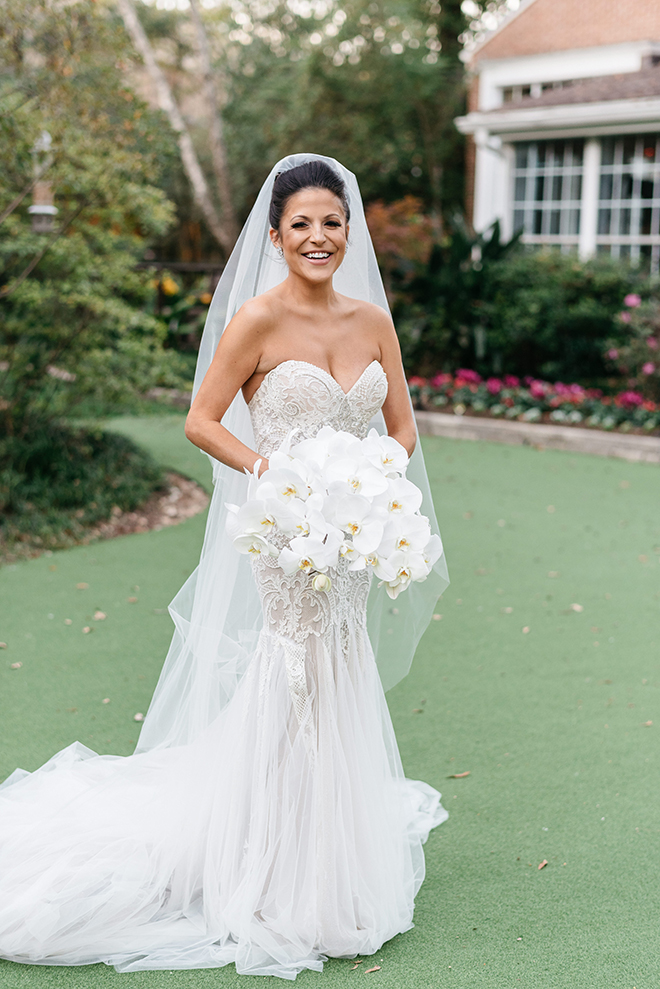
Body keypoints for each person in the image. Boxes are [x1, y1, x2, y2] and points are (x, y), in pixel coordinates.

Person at [0, 154, 449, 980]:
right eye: (302, 224)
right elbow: (202, 421)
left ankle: (330, 854)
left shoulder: (371, 322)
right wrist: (275, 475)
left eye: (333, 222)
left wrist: (377, 485)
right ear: (275, 236)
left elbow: (403, 426)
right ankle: (271, 864)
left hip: (348, 537)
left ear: (350, 232)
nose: (319, 236)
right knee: (295, 666)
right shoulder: (256, 320)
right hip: (286, 532)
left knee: (339, 662)